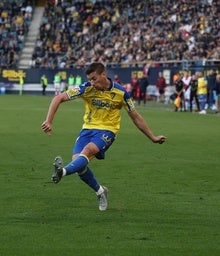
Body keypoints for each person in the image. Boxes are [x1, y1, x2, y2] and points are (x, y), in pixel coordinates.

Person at [41, 62, 166, 211]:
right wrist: (49, 120)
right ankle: (100, 191)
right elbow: (58, 98)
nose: (92, 83)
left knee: (87, 151)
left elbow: (135, 116)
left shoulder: (121, 93)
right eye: (90, 79)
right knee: (79, 165)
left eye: (94, 79)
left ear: (104, 74)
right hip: (87, 130)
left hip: (108, 131)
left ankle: (62, 172)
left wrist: (152, 137)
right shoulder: (86, 88)